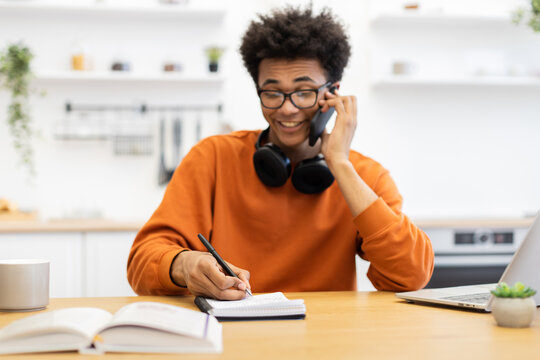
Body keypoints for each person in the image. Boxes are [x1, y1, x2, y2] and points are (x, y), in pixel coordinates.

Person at [127, 6, 434, 300]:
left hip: (328, 339)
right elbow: (142, 262)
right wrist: (184, 265)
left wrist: (339, 163)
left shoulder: (364, 176)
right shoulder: (213, 158)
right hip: (234, 336)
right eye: (272, 93)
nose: (287, 109)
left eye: (304, 92)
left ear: (333, 93)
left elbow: (411, 275)